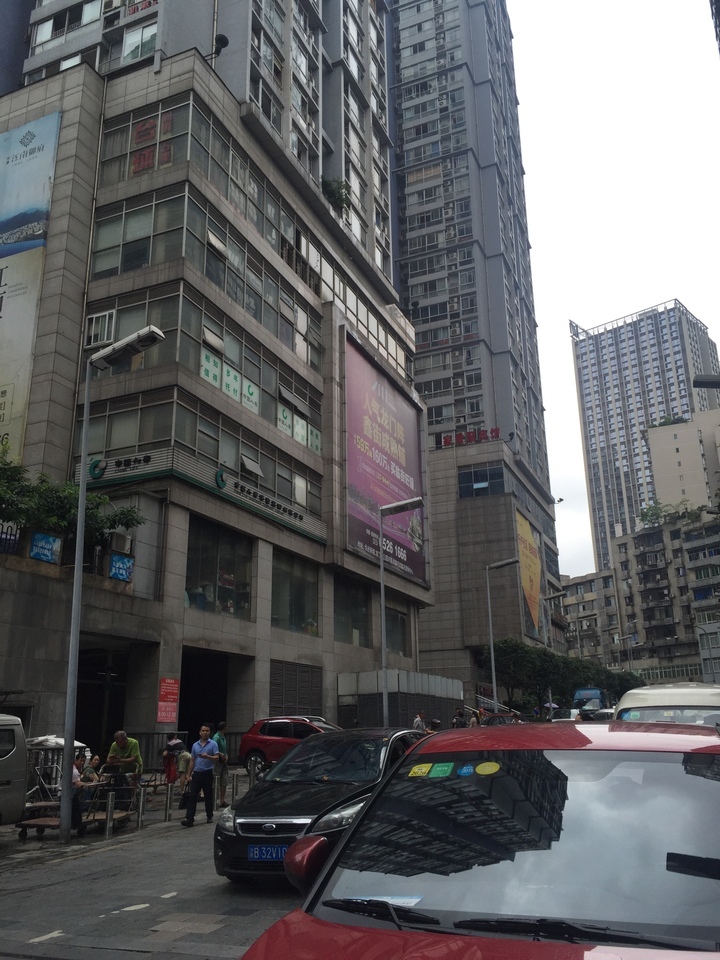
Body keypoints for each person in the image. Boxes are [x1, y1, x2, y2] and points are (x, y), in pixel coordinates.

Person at [181, 723, 219, 827]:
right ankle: (189, 819)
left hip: (208, 773)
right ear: (200, 732)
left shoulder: (213, 744)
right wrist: (188, 774)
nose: (205, 733)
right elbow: (192, 760)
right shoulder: (195, 745)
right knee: (193, 796)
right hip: (197, 773)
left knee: (208, 795)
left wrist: (208, 757)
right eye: (203, 731)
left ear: (209, 732)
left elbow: (216, 758)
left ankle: (209, 815)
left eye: (207, 731)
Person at [212, 721, 229, 808]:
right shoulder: (216, 737)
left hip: (223, 761)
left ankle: (222, 800)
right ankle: (215, 800)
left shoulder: (223, 737)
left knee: (224, 781)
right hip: (217, 762)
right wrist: (219, 754)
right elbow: (212, 748)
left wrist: (226, 755)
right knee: (216, 780)